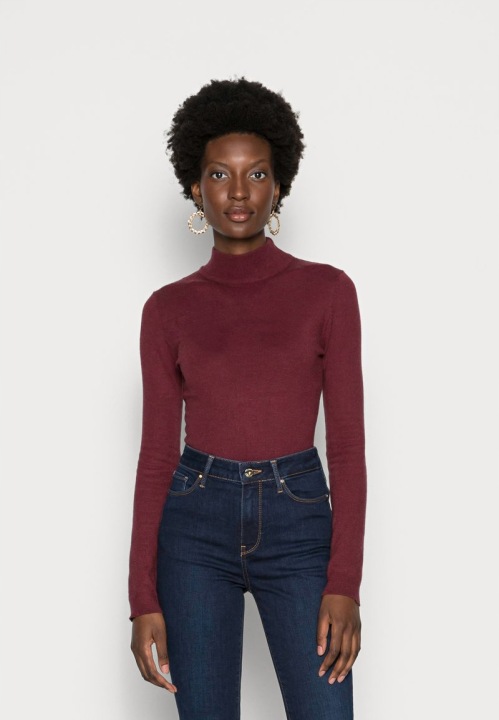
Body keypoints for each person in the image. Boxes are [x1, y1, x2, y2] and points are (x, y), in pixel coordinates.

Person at [128, 77, 367, 720]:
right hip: (193, 529)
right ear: (195, 189)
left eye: (256, 173)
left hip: (299, 523)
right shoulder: (166, 310)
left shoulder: (328, 293)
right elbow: (156, 458)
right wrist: (142, 597)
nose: (238, 192)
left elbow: (347, 448)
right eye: (219, 175)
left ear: (279, 184)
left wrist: (344, 583)